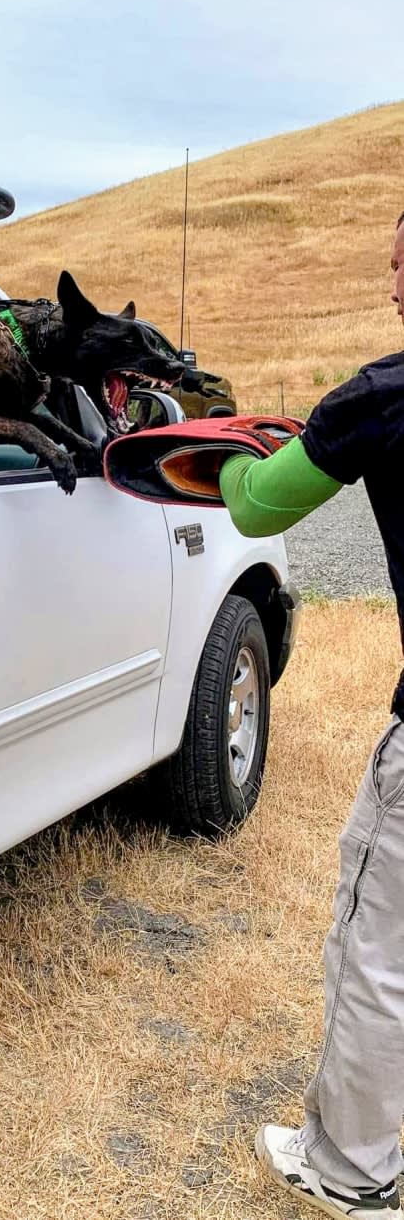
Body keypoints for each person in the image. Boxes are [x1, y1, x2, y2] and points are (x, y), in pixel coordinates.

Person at [217, 211, 404, 1218]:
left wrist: (228, 452)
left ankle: (350, 1175)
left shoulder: (380, 397)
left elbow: (255, 507)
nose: (388, 288)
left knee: (376, 954)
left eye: (398, 267)